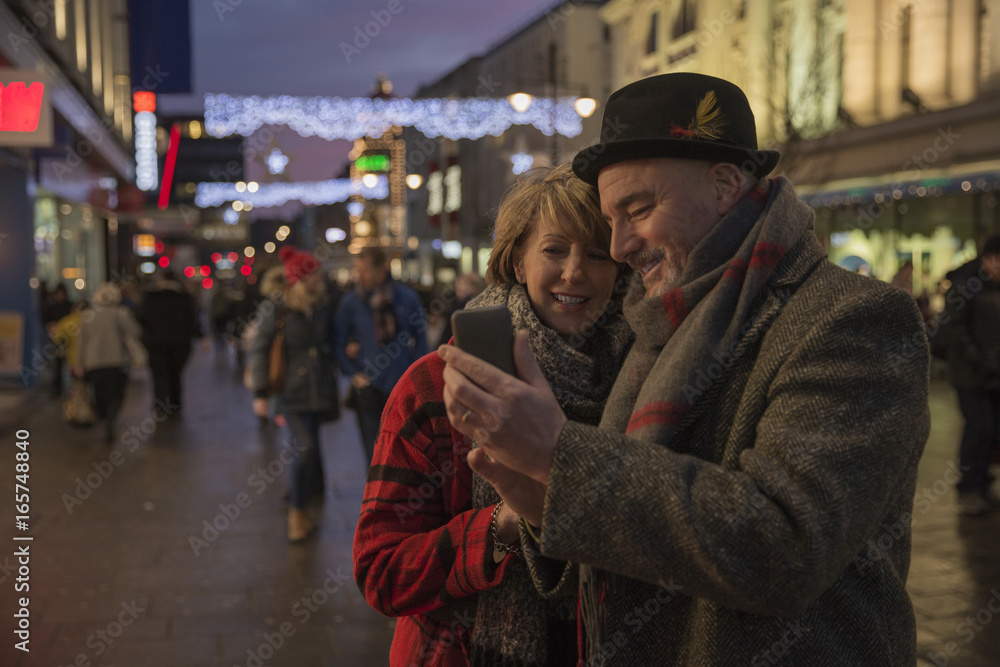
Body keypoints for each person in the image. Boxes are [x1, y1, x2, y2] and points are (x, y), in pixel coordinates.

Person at [439, 73, 931, 665]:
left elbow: (784, 547)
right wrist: (544, 505)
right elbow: (627, 555)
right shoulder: (656, 325)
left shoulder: (854, 318)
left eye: (639, 209)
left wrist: (559, 456)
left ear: (725, 184)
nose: (618, 246)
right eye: (610, 219)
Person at [353, 164, 634, 666]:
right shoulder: (435, 387)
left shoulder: (645, 379)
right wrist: (503, 526)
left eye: (597, 253)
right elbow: (382, 573)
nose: (574, 271)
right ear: (517, 260)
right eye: (554, 249)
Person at [248, 246, 341, 542]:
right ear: (302, 278)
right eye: (315, 275)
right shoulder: (278, 308)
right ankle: (297, 512)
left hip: (319, 388)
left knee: (310, 447)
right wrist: (260, 393)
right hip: (290, 390)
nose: (320, 279)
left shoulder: (322, 304)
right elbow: (260, 349)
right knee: (306, 447)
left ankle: (306, 496)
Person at [333, 247, 428, 465]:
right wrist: (353, 372)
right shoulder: (351, 302)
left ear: (380, 268)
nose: (360, 276)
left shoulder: (406, 297)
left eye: (364, 270)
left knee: (405, 447)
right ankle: (377, 495)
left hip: (401, 384)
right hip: (368, 386)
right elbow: (338, 340)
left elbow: (421, 338)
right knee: (373, 449)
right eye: (358, 270)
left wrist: (416, 373)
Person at [939, 234, 1000, 515]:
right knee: (980, 427)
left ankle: (982, 483)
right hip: (971, 374)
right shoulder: (966, 285)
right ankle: (968, 488)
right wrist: (978, 359)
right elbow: (955, 329)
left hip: (993, 373)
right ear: (988, 258)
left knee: (993, 430)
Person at [76, 283, 144, 442]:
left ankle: (104, 416)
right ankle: (110, 419)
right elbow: (135, 332)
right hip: (117, 361)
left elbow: (81, 342)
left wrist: (79, 364)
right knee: (117, 394)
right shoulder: (121, 313)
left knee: (99, 394)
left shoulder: (87, 316)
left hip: (93, 363)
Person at [136, 268, 202, 417]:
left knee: (159, 376)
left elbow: (140, 317)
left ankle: (161, 407)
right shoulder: (185, 299)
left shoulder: (150, 298)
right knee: (175, 375)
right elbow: (193, 321)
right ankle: (175, 405)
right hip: (180, 344)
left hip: (156, 345)